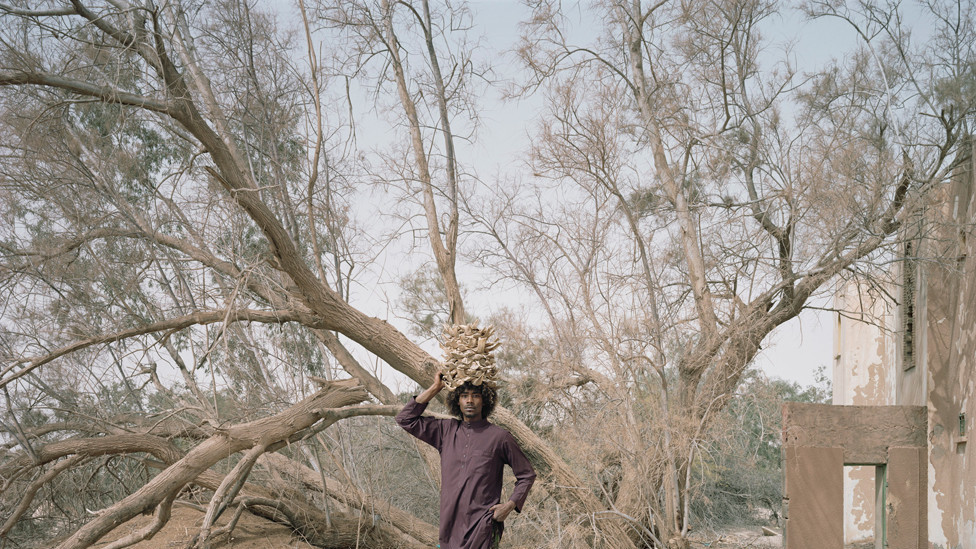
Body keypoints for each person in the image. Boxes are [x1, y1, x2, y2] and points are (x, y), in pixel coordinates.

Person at [396, 372, 536, 549]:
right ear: (457, 401)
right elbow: (405, 419)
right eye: (464, 396)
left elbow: (527, 475)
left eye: (476, 396)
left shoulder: (500, 437)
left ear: (485, 400)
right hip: (449, 528)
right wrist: (436, 388)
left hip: (483, 527)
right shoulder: (445, 431)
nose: (470, 401)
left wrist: (509, 506)